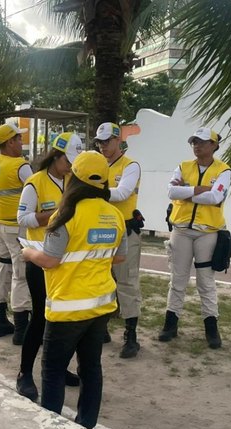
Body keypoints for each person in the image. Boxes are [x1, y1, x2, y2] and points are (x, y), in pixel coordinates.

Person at [22, 150, 127, 429]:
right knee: (91, 369)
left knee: (53, 371)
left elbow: (50, 260)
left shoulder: (65, 214)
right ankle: (86, 426)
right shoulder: (115, 215)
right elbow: (119, 257)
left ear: (75, 178)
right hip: (100, 308)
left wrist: (29, 252)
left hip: (67, 310)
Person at [15, 132, 82, 401]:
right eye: (68, 160)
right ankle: (24, 373)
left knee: (64, 318)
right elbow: (23, 218)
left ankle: (59, 367)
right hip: (40, 259)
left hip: (65, 261)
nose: (71, 166)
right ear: (55, 156)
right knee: (41, 319)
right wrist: (54, 217)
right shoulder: (35, 183)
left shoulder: (72, 180)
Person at [159, 127, 231, 349]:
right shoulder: (183, 166)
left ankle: (211, 328)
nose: (196, 146)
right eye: (194, 142)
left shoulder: (224, 170)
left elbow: (216, 196)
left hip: (207, 232)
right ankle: (170, 325)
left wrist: (187, 191)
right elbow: (172, 192)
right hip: (181, 229)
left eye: (201, 142)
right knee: (177, 279)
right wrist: (200, 189)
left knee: (205, 282)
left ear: (213, 145)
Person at [93, 122, 143, 358]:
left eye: (107, 141)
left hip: (124, 229)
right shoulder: (98, 163)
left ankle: (131, 335)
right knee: (101, 279)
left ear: (118, 140)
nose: (103, 146)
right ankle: (101, 327)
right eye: (100, 142)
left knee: (126, 280)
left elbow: (123, 193)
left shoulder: (131, 165)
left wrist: (91, 191)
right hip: (101, 229)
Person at [0, 122, 33, 341]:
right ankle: (21, 329)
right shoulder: (20, 165)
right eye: (19, 139)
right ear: (10, 142)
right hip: (18, 228)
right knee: (20, 274)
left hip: (0, 226)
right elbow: (36, 191)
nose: (21, 142)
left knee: (2, 269)